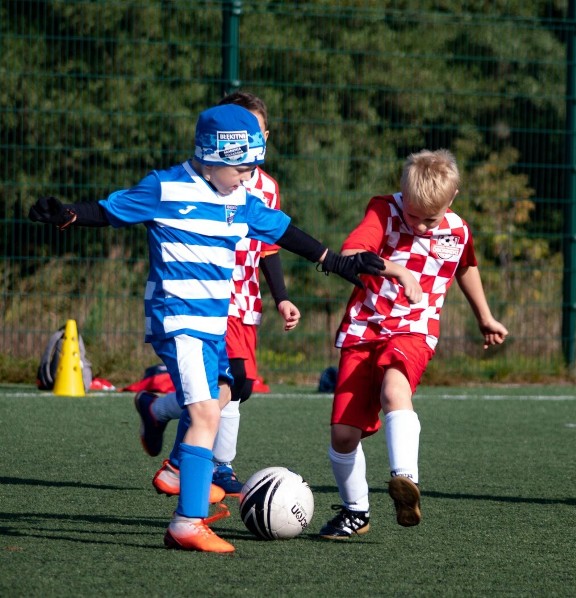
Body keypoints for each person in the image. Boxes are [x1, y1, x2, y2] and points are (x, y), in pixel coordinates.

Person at [28, 103, 385, 553]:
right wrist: (67, 215)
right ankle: (188, 521)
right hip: (179, 321)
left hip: (212, 325)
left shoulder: (239, 197)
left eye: (253, 165)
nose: (248, 174)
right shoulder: (166, 188)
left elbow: (285, 232)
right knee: (206, 415)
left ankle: (155, 411)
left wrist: (338, 263)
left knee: (220, 395)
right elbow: (109, 210)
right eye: (241, 166)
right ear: (210, 156)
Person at [317, 149, 509, 539]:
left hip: (415, 329)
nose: (421, 227)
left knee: (394, 387)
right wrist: (396, 270)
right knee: (343, 435)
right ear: (403, 195)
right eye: (414, 216)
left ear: (450, 201)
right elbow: (353, 254)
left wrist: (484, 316)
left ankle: (405, 481)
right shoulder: (384, 210)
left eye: (431, 219)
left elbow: (466, 267)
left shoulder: (458, 230)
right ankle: (356, 512)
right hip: (364, 329)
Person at [134, 91, 299, 498]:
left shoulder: (266, 187)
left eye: (256, 131)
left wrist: (280, 296)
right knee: (226, 386)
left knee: (232, 386)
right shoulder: (199, 181)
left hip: (243, 296)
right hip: (206, 298)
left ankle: (162, 422)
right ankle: (213, 470)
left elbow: (271, 245)